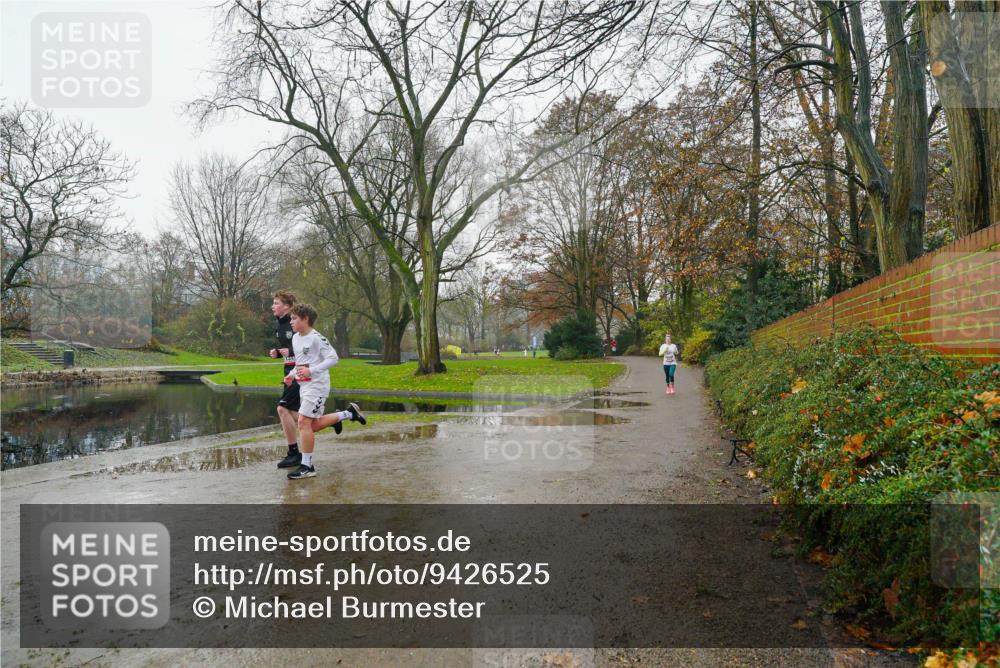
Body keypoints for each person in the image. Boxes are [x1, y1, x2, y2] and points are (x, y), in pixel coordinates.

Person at [283, 303, 367, 480]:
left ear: (305, 319)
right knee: (312, 426)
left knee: (303, 422)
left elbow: (333, 358)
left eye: (294, 318)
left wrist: (311, 371)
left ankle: (307, 466)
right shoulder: (296, 338)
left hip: (317, 386)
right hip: (304, 386)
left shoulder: (317, 338)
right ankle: (347, 414)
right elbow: (301, 362)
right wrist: (291, 375)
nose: (291, 321)